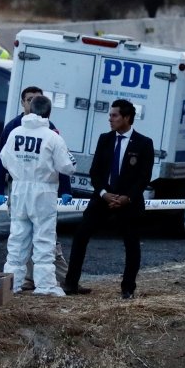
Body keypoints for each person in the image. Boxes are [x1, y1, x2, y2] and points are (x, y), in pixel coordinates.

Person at [64, 99, 155, 299]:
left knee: (131, 243)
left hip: (128, 201)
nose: (110, 119)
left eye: (114, 115)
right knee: (81, 234)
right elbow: (95, 171)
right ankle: (71, 283)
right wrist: (103, 193)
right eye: (110, 115)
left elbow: (144, 176)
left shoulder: (144, 143)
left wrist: (127, 197)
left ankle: (128, 288)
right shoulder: (105, 139)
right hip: (103, 198)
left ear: (127, 118)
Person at [0, 86, 73, 290]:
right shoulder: (52, 136)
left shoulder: (15, 132)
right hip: (44, 191)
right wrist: (66, 187)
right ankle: (45, 286)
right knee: (44, 240)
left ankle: (12, 285)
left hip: (19, 189)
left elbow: (3, 159)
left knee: (17, 239)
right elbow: (66, 166)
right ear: (48, 113)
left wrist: (2, 186)